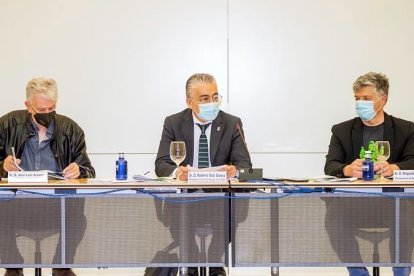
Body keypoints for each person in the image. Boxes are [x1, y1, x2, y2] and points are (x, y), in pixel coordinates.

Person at [154, 73, 251, 276]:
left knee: (227, 212)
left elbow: (248, 169)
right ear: (189, 102)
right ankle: (191, 262)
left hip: (218, 198)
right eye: (205, 99)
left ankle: (215, 263)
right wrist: (177, 171)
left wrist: (235, 171)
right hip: (186, 198)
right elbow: (161, 164)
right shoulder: (173, 123)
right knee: (180, 211)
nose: (212, 103)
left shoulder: (232, 123)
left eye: (215, 97)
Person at [0, 77, 95, 276]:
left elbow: (88, 169)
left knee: (78, 219)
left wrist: (79, 170)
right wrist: (3, 166)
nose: (46, 114)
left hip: (57, 206)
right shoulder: (7, 125)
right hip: (15, 206)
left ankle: (61, 266)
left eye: (51, 108)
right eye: (41, 110)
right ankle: (13, 266)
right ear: (28, 106)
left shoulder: (70, 129)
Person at [324, 72, 414, 276]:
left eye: (366, 98)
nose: (360, 103)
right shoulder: (341, 130)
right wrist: (346, 169)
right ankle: (358, 271)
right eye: (357, 98)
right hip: (354, 204)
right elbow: (331, 165)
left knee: (406, 216)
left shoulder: (406, 129)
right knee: (333, 218)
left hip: (393, 202)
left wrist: (394, 168)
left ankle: (401, 272)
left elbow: (413, 161)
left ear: (382, 100)